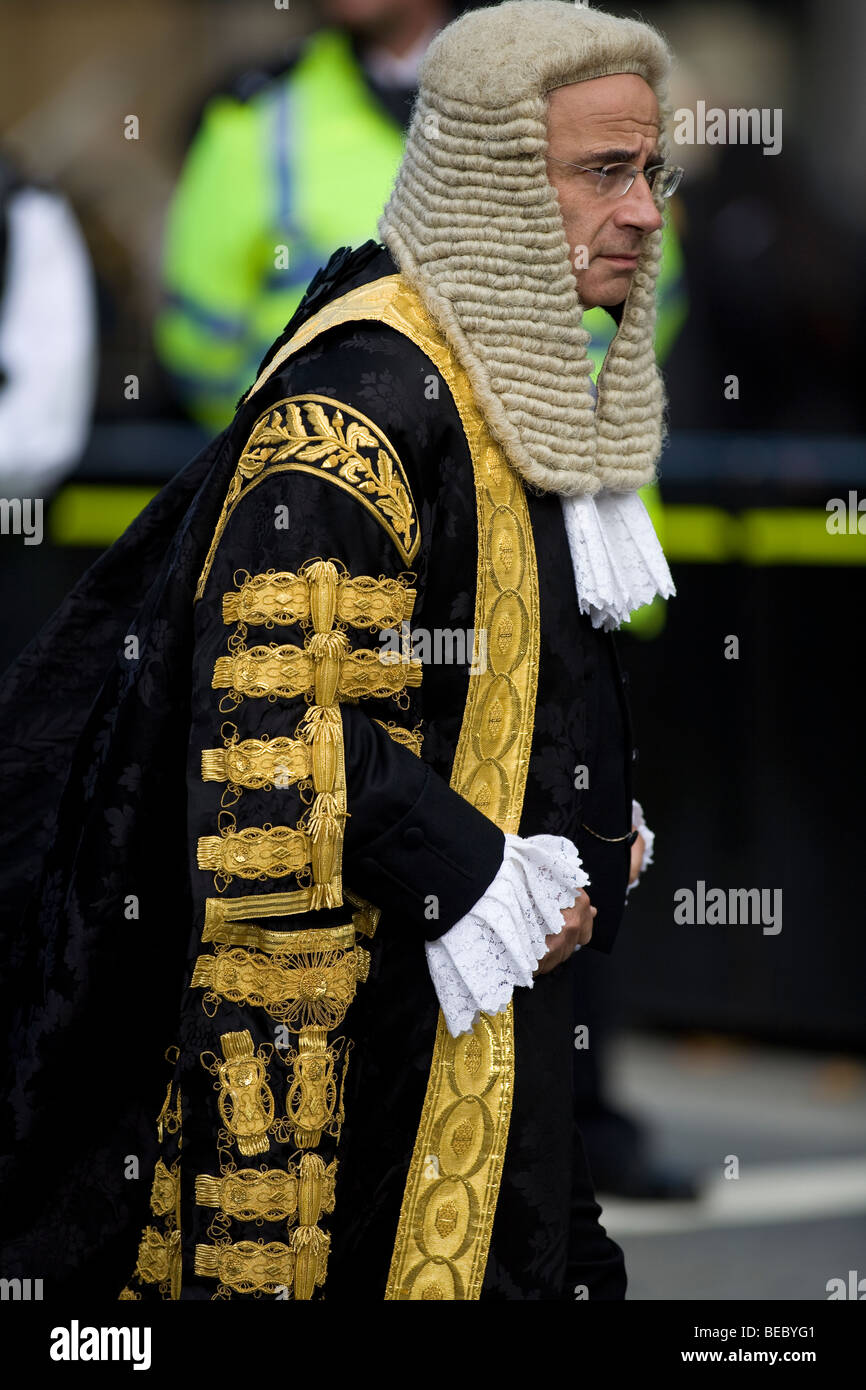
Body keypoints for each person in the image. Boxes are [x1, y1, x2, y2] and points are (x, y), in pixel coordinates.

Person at [0, 0, 678, 1301]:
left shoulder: (515, 367)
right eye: (604, 171)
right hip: (359, 1070)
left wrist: (589, 811)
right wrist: (486, 872)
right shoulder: (363, 391)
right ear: (488, 177)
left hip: (483, 1043)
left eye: (650, 171)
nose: (643, 210)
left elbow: (500, 658)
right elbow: (276, 716)